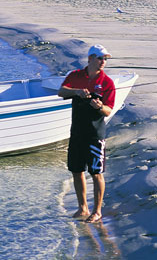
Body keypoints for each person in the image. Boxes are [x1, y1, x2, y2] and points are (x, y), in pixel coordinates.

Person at [58, 44, 116, 223]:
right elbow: (61, 92)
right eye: (100, 58)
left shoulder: (107, 82)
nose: (103, 62)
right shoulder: (75, 76)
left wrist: (100, 107)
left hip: (95, 134)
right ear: (90, 58)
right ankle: (83, 207)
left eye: (105, 59)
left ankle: (97, 211)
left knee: (96, 173)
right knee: (76, 171)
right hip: (76, 132)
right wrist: (76, 91)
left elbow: (108, 110)